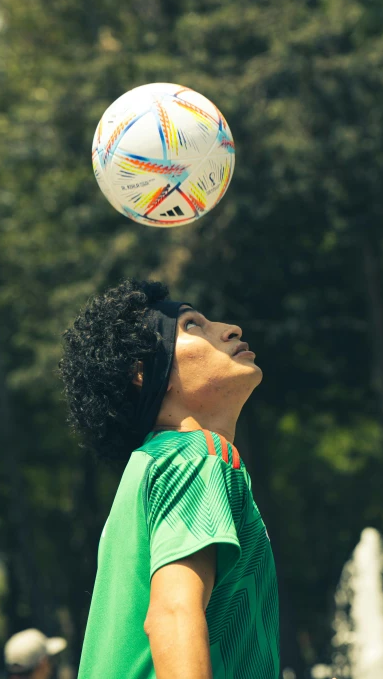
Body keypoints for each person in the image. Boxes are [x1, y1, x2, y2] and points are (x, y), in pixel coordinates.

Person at [59, 278, 280, 678]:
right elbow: (173, 615)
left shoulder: (149, 465)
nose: (230, 329)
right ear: (141, 372)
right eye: (193, 325)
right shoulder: (195, 455)